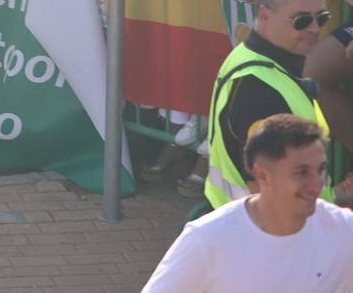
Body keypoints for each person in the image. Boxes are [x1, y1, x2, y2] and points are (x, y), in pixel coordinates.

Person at [143, 114, 353, 292]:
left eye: (321, 169)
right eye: (301, 173)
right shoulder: (207, 239)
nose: (317, 184)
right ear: (262, 175)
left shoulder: (345, 229)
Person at [202, 0, 333, 209]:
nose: (315, 28)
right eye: (302, 20)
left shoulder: (248, 55)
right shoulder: (259, 90)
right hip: (273, 226)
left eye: (322, 17)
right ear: (264, 15)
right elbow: (268, 190)